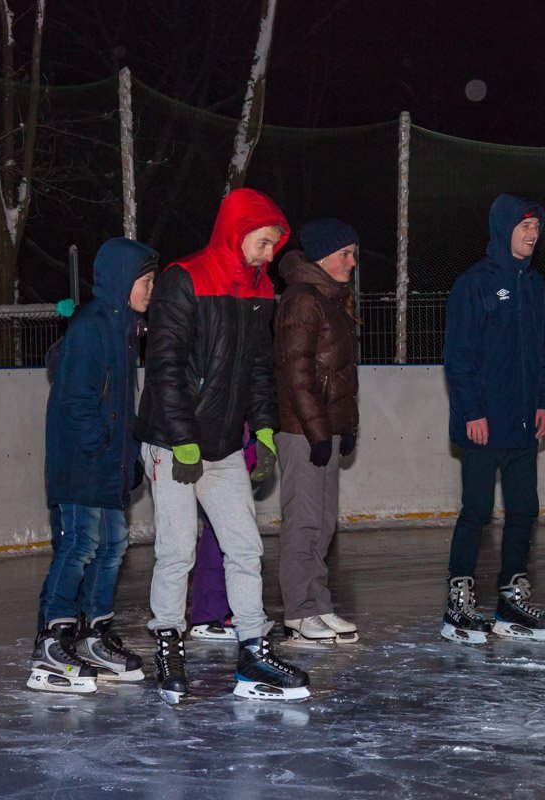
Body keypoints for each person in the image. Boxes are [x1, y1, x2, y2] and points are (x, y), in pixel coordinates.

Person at [136, 188, 308, 704]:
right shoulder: (183, 280)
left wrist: (262, 429)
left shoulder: (258, 289)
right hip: (173, 442)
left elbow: (258, 367)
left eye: (275, 245)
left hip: (223, 444)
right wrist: (182, 442)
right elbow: (164, 367)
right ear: (238, 233)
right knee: (176, 550)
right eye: (263, 242)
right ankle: (169, 643)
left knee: (245, 546)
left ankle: (253, 651)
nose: (269, 254)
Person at [28, 237, 158, 694]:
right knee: (80, 545)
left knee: (113, 547)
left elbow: (120, 406)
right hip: (80, 465)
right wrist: (102, 446)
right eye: (145, 281)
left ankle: (95, 633)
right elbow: (78, 401)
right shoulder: (92, 328)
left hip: (106, 465)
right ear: (123, 281)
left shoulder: (125, 329)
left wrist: (128, 459)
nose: (150, 289)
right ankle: (52, 639)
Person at [441, 193, 545, 645]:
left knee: (525, 509)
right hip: (484, 423)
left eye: (536, 226)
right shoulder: (475, 284)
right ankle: (458, 603)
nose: (532, 234)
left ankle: (511, 596)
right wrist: (472, 411)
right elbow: (459, 357)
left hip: (524, 423)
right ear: (504, 228)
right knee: (476, 511)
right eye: (524, 225)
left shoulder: (534, 285)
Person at [272, 218, 362, 645]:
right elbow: (297, 374)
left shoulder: (328, 299)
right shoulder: (302, 301)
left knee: (323, 524)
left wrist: (347, 426)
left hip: (326, 428)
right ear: (322, 258)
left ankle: (318, 605)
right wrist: (318, 432)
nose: (352, 262)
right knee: (304, 523)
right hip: (304, 432)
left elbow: (340, 376)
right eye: (345, 254)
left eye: (353, 253)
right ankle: (299, 612)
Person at [186, 431, 258, 642]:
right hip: (211, 443)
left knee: (234, 534)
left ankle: (227, 609)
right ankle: (208, 614)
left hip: (234, 440)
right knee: (218, 531)